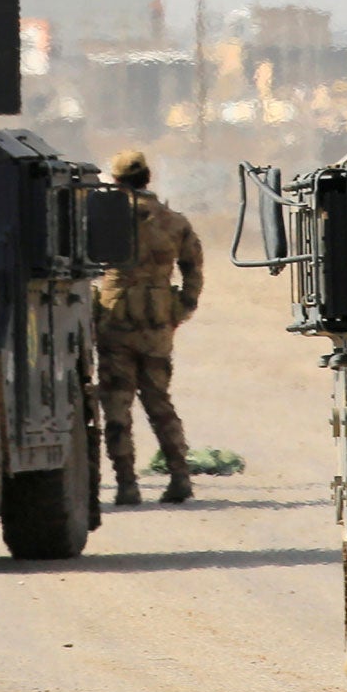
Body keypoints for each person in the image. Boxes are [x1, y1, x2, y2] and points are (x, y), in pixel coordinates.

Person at [94, 149, 204, 505]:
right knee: (159, 401)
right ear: (147, 178)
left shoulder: (105, 219)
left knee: (116, 403)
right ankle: (180, 477)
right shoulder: (174, 221)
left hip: (116, 322)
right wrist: (183, 306)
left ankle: (126, 483)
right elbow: (193, 268)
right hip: (158, 323)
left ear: (116, 181)